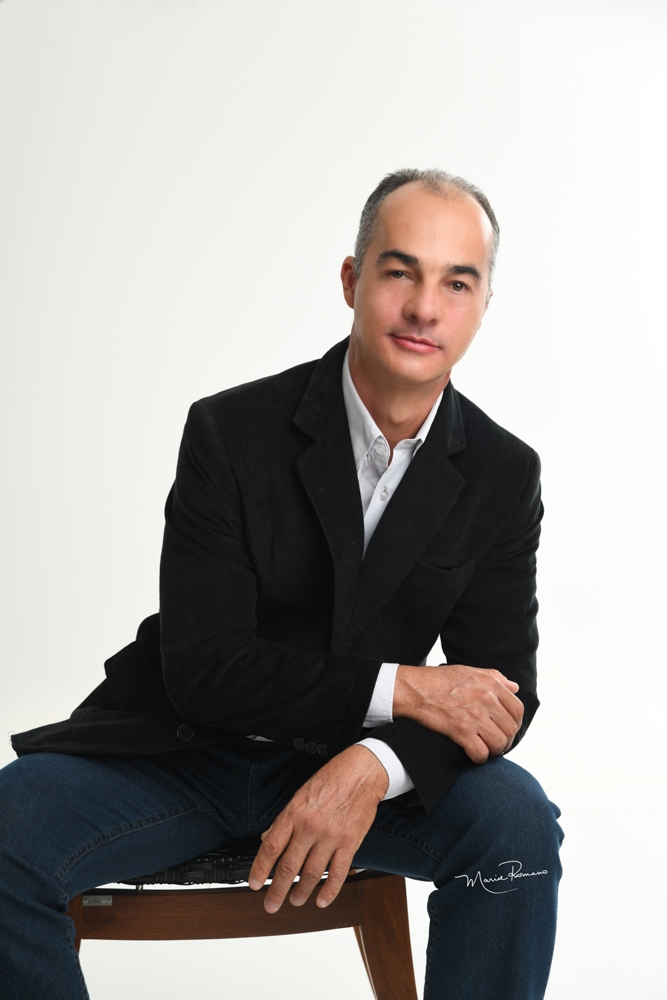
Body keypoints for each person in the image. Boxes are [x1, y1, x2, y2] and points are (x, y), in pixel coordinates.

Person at [0, 168, 563, 999]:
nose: (423, 308)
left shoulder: (502, 473)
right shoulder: (230, 431)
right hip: (181, 750)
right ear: (351, 279)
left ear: (482, 305)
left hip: (355, 763)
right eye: (399, 271)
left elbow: (499, 697)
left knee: (515, 827)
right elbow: (204, 665)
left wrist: (372, 765)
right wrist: (402, 689)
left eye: (456, 282)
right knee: (8, 832)